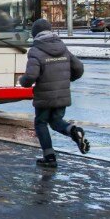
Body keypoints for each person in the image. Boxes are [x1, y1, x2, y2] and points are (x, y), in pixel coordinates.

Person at [19, 18, 90, 168]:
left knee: (41, 123)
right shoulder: (63, 48)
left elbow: (31, 76)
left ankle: (49, 157)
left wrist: (23, 81)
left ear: (35, 33)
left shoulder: (36, 51)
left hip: (44, 96)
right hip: (62, 95)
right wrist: (67, 80)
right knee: (56, 121)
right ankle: (74, 131)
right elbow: (79, 68)